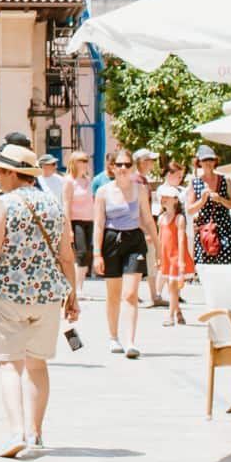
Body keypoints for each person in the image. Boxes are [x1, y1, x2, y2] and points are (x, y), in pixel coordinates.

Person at [0, 142, 78, 459]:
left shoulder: (2, 205)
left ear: (12, 173)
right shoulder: (53, 206)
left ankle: (16, 431)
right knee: (37, 364)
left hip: (8, 294)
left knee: (10, 363)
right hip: (47, 295)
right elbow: (66, 255)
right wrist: (72, 294)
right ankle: (36, 432)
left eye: (0, 171)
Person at [93, 150, 150, 356]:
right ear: (112, 167)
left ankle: (130, 341)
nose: (123, 168)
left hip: (134, 241)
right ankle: (113, 336)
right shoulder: (103, 192)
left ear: (132, 167)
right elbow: (99, 224)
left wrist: (158, 247)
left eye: (127, 164)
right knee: (114, 294)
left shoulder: (140, 190)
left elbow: (148, 219)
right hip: (111, 241)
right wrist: (97, 253)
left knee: (130, 294)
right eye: (119, 165)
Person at [189, 148, 231, 265]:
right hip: (206, 232)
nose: (208, 163)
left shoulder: (225, 180)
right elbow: (190, 210)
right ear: (199, 162)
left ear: (215, 161)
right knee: (206, 267)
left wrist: (220, 199)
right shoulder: (195, 183)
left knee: (226, 265)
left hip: (224, 230)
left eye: (211, 159)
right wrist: (202, 200)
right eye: (205, 160)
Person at [153, 186, 193, 327]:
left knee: (172, 285)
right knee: (172, 288)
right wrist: (158, 257)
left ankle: (170, 316)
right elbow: (159, 239)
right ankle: (178, 312)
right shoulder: (161, 218)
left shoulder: (179, 218)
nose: (163, 199)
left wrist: (181, 261)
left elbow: (181, 240)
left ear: (176, 200)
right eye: (162, 197)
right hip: (166, 256)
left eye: (167, 197)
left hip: (176, 256)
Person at [62, 150, 98, 298]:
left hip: (89, 219)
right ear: (74, 162)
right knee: (81, 253)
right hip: (76, 220)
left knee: (87, 254)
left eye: (86, 161)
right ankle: (75, 288)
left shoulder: (88, 180)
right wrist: (68, 228)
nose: (85, 164)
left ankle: (80, 287)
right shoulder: (69, 181)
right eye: (82, 161)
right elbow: (66, 204)